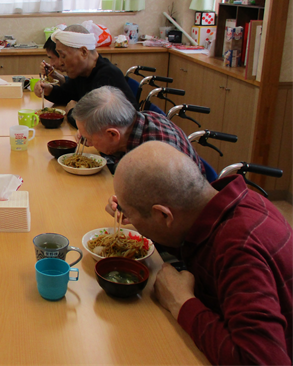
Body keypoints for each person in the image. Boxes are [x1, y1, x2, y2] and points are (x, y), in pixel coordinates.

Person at [111, 141, 293, 366]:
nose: (123, 216)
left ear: (164, 216)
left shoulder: (238, 249)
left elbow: (261, 361)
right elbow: (188, 237)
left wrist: (181, 302)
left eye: (126, 212)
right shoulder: (224, 204)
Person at [72, 86, 204, 174]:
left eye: (88, 138)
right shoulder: (138, 121)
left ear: (112, 134)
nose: (87, 143)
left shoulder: (155, 160)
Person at [34, 24, 137, 127]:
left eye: (63, 56)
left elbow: (95, 125)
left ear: (83, 52)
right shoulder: (82, 71)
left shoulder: (107, 76)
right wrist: (49, 90)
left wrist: (72, 111)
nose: (60, 62)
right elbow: (68, 95)